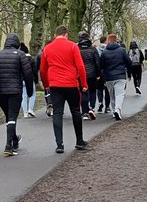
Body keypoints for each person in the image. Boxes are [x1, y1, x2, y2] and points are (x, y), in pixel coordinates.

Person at [39, 25, 90, 154]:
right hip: (71, 84)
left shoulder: (47, 48)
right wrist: (84, 84)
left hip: (55, 85)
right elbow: (80, 66)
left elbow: (43, 70)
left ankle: (59, 144)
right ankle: (79, 141)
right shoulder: (73, 46)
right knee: (76, 111)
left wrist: (46, 84)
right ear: (66, 34)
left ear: (55, 35)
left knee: (57, 113)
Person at [0, 34, 36, 156]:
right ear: (17, 43)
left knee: (9, 117)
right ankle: (8, 146)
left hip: (2, 92)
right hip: (15, 91)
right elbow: (28, 74)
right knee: (12, 118)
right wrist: (30, 91)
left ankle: (14, 140)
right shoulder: (20, 55)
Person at [99, 34, 133, 120]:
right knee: (120, 94)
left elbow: (101, 66)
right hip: (120, 75)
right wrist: (128, 72)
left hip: (109, 77)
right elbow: (129, 62)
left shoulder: (104, 52)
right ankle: (117, 109)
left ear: (108, 41)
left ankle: (114, 111)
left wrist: (103, 76)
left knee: (112, 95)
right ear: (116, 40)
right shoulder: (122, 50)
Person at [78, 32, 102, 120]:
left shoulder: (77, 49)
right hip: (92, 74)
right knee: (92, 91)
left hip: (81, 75)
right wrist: (98, 74)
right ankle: (91, 108)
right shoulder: (93, 49)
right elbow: (97, 62)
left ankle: (84, 112)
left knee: (83, 92)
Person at [18, 42, 38, 118]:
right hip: (30, 80)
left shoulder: (19, 59)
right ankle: (30, 109)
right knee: (32, 94)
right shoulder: (32, 60)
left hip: (22, 80)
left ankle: (25, 113)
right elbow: (35, 71)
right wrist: (36, 80)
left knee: (24, 96)